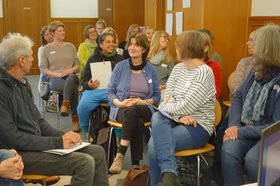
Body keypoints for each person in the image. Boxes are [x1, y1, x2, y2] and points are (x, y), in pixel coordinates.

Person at [0, 32, 109, 186]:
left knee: (97, 152)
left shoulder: (22, 84)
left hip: (36, 145)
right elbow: (12, 138)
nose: (33, 59)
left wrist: (64, 135)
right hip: (20, 154)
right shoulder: (2, 90)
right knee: (84, 163)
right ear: (21, 61)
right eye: (31, 56)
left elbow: (39, 121)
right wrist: (57, 142)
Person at [148, 31, 216, 186]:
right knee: (157, 117)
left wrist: (170, 108)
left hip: (198, 125)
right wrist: (178, 117)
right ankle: (169, 175)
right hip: (176, 120)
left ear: (186, 48)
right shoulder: (178, 69)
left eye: (177, 46)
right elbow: (164, 100)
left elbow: (188, 105)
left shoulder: (205, 72)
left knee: (154, 144)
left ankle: (166, 177)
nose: (175, 49)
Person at [221, 24, 280, 186]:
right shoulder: (257, 68)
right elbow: (238, 96)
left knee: (255, 160)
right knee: (229, 150)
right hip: (250, 128)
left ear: (267, 47)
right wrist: (233, 125)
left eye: (256, 42)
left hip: (273, 134)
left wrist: (240, 131)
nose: (252, 45)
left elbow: (275, 125)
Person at [108, 33, 160, 174]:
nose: (132, 47)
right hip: (122, 107)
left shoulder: (151, 70)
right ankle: (135, 164)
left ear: (144, 49)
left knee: (135, 110)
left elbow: (157, 96)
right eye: (130, 44)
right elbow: (110, 92)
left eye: (136, 45)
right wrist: (119, 103)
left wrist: (143, 101)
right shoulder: (120, 67)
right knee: (134, 117)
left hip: (144, 107)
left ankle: (120, 154)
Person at [78, 33, 124, 133]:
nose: (112, 44)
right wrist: (88, 85)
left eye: (113, 42)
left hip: (114, 91)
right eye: (108, 42)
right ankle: (86, 129)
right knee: (82, 106)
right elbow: (84, 80)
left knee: (118, 106)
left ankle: (117, 133)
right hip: (95, 90)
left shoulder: (120, 59)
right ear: (101, 45)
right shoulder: (93, 58)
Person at [40, 21, 81, 132]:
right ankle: (75, 121)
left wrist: (70, 70)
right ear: (53, 33)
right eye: (59, 31)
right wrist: (57, 74)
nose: (63, 32)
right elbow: (43, 69)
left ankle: (65, 103)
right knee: (73, 88)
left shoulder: (70, 46)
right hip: (56, 80)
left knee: (72, 78)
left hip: (71, 76)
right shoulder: (46, 49)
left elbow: (78, 65)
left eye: (63, 30)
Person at [147, 30, 174, 95]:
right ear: (157, 38)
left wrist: (163, 86)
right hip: (145, 88)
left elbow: (172, 80)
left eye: (168, 39)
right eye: (164, 37)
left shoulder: (169, 59)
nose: (167, 40)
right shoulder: (145, 56)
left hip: (162, 90)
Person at [229, 31, 256, 97]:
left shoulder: (272, 66)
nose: (247, 43)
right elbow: (234, 88)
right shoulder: (244, 63)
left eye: (251, 40)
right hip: (242, 102)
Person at [198, 30, 222, 99]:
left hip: (206, 104)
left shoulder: (214, 65)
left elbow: (216, 93)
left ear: (206, 48)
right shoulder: (184, 65)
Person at [38, 25, 53, 100]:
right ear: (43, 37)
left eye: (51, 33)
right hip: (47, 73)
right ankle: (47, 92)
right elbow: (41, 65)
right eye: (47, 34)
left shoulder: (60, 46)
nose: (50, 36)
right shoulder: (42, 49)